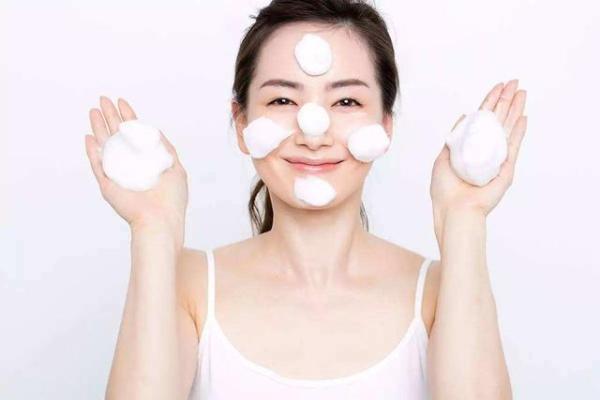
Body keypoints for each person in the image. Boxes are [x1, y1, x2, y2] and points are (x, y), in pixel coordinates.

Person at [83, 0, 527, 399]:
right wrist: (153, 231)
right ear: (241, 122)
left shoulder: (439, 293)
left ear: (386, 124)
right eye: (282, 99)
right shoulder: (188, 286)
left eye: (346, 101)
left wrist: (464, 219)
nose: (314, 131)